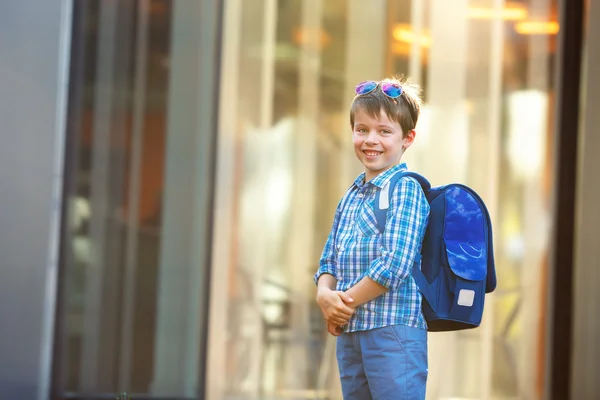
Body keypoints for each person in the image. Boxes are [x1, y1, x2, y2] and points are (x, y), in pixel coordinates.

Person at [314, 77, 430, 399]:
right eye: (362, 130)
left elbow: (395, 264)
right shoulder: (352, 195)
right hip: (350, 333)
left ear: (408, 138)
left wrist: (341, 304)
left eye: (384, 131)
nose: (370, 140)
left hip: (392, 333)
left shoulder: (406, 188)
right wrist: (325, 295)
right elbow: (329, 259)